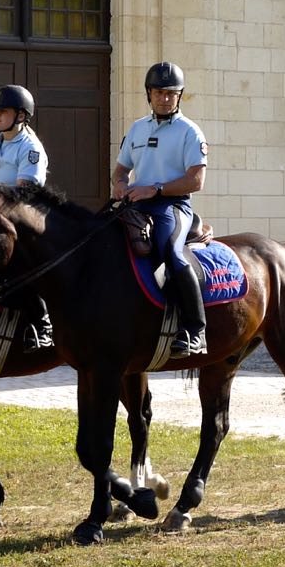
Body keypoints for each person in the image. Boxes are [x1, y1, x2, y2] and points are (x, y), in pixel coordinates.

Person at [112, 62, 209, 358]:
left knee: (172, 253)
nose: (164, 98)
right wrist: (119, 185)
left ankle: (195, 330)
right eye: (158, 93)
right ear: (149, 94)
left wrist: (155, 189)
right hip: (136, 204)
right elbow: (120, 171)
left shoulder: (190, 132)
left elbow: (196, 180)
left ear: (179, 96)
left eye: (170, 93)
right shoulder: (137, 129)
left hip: (173, 205)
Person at [0, 84, 52, 352]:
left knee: (21, 263)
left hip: (23, 219)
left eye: (2, 111)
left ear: (20, 116)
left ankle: (43, 323)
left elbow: (24, 191)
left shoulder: (30, 148)